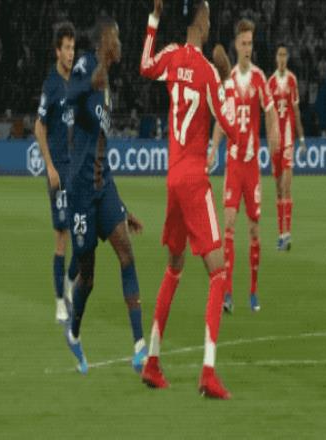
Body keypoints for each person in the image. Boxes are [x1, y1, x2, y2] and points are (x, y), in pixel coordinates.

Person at [139, 0, 238, 399]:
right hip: (195, 180)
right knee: (218, 272)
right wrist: (227, 79)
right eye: (208, 16)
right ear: (200, 21)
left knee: (175, 267)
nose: (211, 22)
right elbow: (231, 125)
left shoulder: (171, 56)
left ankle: (152, 361)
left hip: (173, 178)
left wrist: (153, 19)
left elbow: (145, 65)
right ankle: (208, 372)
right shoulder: (207, 71)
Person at [64, 15, 147, 375]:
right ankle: (74, 331)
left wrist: (122, 207)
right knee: (88, 276)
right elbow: (69, 96)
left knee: (127, 253)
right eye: (116, 36)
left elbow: (101, 147)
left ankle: (140, 347)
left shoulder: (109, 86)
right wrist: (90, 80)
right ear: (103, 41)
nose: (121, 42)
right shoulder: (86, 65)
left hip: (103, 187)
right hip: (81, 193)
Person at [209, 18, 279, 314]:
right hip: (234, 164)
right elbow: (220, 121)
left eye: (251, 43)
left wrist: (274, 134)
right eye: (244, 43)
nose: (248, 48)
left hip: (251, 167)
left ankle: (252, 291)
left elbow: (271, 112)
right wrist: (213, 148)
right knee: (227, 225)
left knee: (253, 231)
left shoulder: (260, 79)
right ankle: (227, 293)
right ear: (236, 45)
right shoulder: (229, 82)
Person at [35, 22, 78, 324]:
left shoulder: (77, 81)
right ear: (57, 51)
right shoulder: (51, 85)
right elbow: (39, 127)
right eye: (67, 48)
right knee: (62, 237)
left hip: (77, 169)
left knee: (84, 236)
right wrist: (49, 166)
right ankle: (60, 301)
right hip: (59, 170)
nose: (71, 53)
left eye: (73, 48)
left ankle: (70, 283)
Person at [268, 44, 307, 251]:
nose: (282, 58)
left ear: (287, 57)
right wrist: (269, 141)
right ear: (276, 58)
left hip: (288, 139)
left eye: (284, 54)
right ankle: (280, 233)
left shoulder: (292, 80)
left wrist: (302, 139)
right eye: (279, 54)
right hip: (275, 142)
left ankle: (287, 234)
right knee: (277, 190)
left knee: (286, 186)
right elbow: (268, 116)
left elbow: (296, 111)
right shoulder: (270, 82)